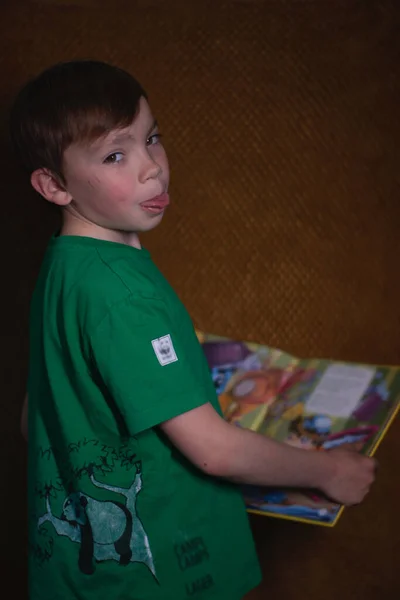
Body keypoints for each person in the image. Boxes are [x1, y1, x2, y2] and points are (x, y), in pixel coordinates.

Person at [10, 60, 376, 600]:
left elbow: (31, 420)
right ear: (53, 185)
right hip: (160, 573)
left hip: (82, 575)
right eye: (116, 155)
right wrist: (326, 471)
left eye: (151, 138)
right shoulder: (123, 297)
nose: (152, 169)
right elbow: (215, 452)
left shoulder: (67, 268)